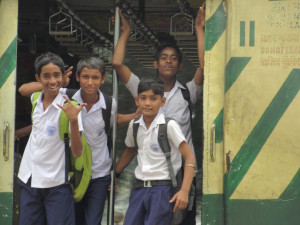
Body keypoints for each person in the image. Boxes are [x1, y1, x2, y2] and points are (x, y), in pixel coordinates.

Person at [18, 56, 140, 225]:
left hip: (97, 171)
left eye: (95, 77)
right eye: (85, 77)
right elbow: (39, 117)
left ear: (103, 79)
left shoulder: (106, 104)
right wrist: (58, 83)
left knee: (91, 220)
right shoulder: (62, 95)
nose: (90, 82)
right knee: (74, 218)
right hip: (73, 172)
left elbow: (112, 120)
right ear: (77, 77)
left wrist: (133, 117)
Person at [112, 7, 205, 224]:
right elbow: (117, 64)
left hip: (181, 174)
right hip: (151, 180)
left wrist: (200, 29)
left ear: (180, 65)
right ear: (155, 63)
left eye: (173, 58)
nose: (168, 61)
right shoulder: (144, 89)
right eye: (163, 57)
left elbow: (204, 65)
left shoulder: (187, 91)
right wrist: (125, 32)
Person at [115, 78, 196, 225]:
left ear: (162, 102)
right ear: (136, 100)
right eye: (143, 98)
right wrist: (115, 173)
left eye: (153, 99)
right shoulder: (134, 125)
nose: (147, 103)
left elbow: (190, 157)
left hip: (162, 190)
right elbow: (131, 149)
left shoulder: (169, 125)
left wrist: (184, 191)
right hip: (138, 189)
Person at [17, 52, 85, 225]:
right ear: (38, 78)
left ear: (63, 76)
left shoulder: (71, 107)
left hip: (56, 183)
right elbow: (22, 89)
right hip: (29, 179)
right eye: (46, 76)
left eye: (57, 75)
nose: (52, 81)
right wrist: (45, 84)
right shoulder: (35, 100)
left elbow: (77, 152)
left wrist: (74, 121)